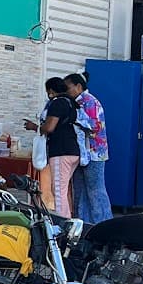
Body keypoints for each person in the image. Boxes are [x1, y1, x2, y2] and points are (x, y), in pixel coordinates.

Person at [26, 78, 79, 216]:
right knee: (63, 189)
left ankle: (62, 224)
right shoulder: (71, 103)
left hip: (61, 151)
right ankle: (67, 219)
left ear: (50, 91)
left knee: (58, 191)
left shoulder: (57, 103)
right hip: (73, 150)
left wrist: (34, 127)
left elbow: (49, 128)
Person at [65, 72, 112, 224]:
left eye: (68, 88)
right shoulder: (78, 102)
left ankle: (103, 224)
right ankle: (84, 225)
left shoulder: (88, 101)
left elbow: (93, 126)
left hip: (93, 153)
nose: (66, 92)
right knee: (80, 190)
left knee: (95, 190)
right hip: (82, 152)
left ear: (78, 86)